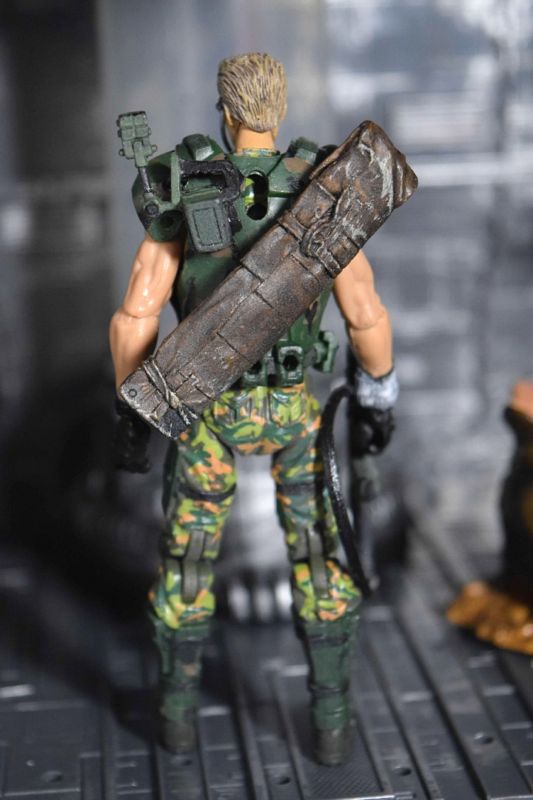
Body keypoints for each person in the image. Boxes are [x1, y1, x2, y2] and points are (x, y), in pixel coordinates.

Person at [110, 52, 398, 766]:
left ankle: (176, 720)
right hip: (292, 411)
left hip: (205, 410)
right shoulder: (324, 190)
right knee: (320, 559)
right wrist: (378, 392)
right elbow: (365, 312)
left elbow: (135, 314)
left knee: (187, 562)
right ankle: (331, 724)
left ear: (226, 110)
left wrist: (136, 408)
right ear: (280, 109)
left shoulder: (186, 184)